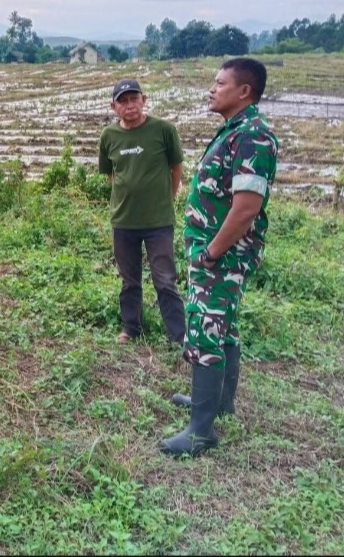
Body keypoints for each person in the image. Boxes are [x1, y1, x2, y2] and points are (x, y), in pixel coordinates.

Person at [160, 57, 278, 457]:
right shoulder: (235, 130)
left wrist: (211, 252)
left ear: (244, 91)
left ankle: (201, 431)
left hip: (221, 255)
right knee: (222, 325)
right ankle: (217, 403)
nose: (212, 89)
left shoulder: (252, 136)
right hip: (214, 252)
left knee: (207, 327)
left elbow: (245, 207)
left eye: (220, 83)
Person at [98, 78, 186, 345]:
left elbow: (176, 168)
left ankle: (178, 335)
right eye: (123, 101)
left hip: (158, 221)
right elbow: (110, 175)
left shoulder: (163, 130)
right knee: (129, 279)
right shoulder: (109, 136)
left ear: (144, 100)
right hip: (124, 221)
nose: (129, 105)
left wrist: (165, 198)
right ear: (114, 107)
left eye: (134, 99)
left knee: (165, 279)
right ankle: (131, 327)